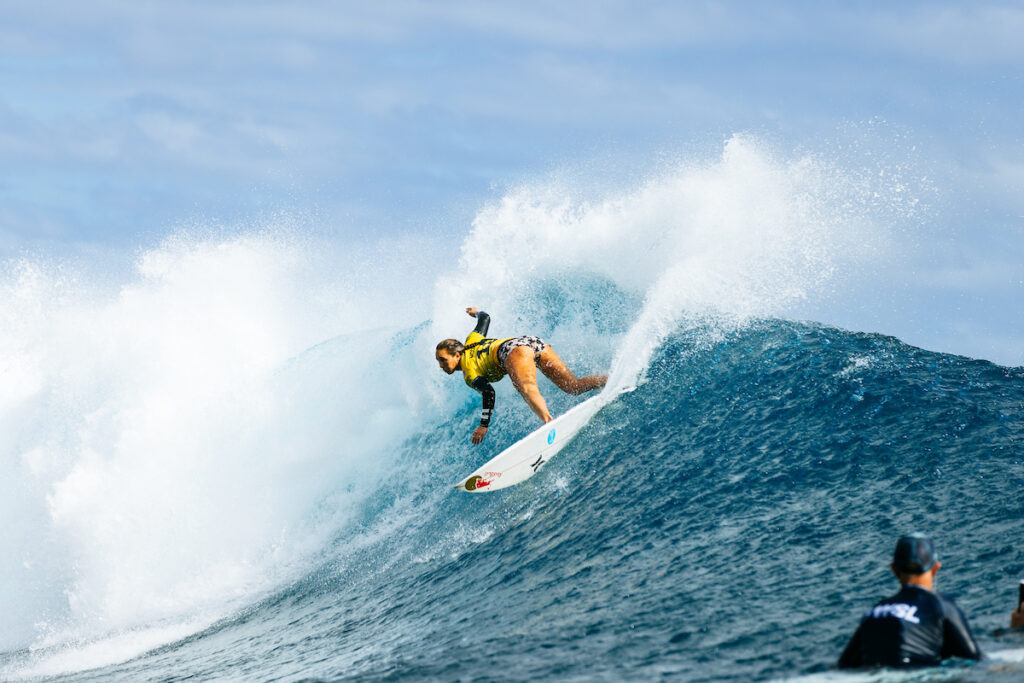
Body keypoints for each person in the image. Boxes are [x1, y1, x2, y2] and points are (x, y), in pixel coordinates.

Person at [435, 307, 607, 444]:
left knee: (525, 387)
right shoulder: (471, 339)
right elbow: (485, 318)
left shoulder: (469, 373)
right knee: (573, 386)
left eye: (443, 360)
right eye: (438, 361)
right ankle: (610, 379)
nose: (441, 365)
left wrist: (483, 425)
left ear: (457, 355)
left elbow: (489, 393)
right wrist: (476, 312)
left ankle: (549, 422)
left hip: (511, 352)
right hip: (530, 341)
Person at [838, 534, 982, 669]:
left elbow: (844, 665)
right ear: (935, 568)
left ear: (894, 569)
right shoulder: (941, 606)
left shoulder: (874, 612)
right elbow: (975, 657)